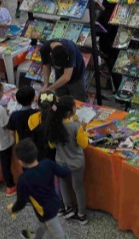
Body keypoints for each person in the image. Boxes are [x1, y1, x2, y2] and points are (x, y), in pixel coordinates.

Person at [8, 139, 71, 239]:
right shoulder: (47, 163)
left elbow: (21, 202)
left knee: (58, 234)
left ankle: (37, 236)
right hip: (55, 202)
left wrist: (13, 209)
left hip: (44, 212)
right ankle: (37, 236)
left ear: (21, 162)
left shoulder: (23, 179)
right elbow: (64, 173)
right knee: (46, 225)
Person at [46, 96, 90, 224]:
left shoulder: (53, 125)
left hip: (60, 161)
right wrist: (83, 130)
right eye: (75, 106)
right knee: (78, 187)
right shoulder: (76, 127)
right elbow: (84, 144)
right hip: (76, 163)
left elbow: (51, 145)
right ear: (70, 112)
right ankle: (81, 215)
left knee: (63, 184)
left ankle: (68, 208)